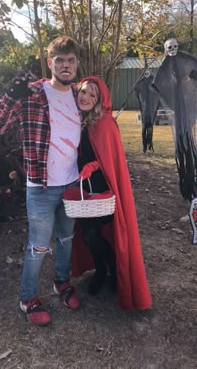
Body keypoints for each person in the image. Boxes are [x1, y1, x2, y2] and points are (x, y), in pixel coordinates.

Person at [0, 36, 82, 326]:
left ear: (77, 64)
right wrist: (9, 97)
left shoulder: (80, 95)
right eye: (60, 60)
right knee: (39, 245)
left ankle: (61, 283)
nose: (65, 66)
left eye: (70, 61)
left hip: (72, 184)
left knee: (66, 239)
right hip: (41, 187)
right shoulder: (31, 94)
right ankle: (27, 298)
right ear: (49, 63)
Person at [69, 76, 152, 310]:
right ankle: (102, 268)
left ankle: (111, 268)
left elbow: (110, 160)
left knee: (93, 234)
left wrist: (93, 166)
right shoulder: (78, 119)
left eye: (92, 95)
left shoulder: (104, 122)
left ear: (99, 100)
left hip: (102, 191)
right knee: (87, 234)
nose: (85, 97)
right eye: (83, 92)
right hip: (83, 190)